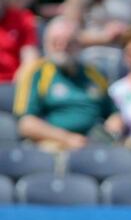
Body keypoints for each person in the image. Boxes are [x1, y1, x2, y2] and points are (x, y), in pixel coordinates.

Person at [13, 17, 122, 150]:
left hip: (95, 144)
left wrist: (114, 123)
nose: (63, 47)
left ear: (79, 44)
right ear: (46, 43)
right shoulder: (37, 73)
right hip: (55, 146)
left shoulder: (94, 73)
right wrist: (67, 138)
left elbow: (113, 112)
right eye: (57, 42)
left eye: (69, 42)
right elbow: (26, 124)